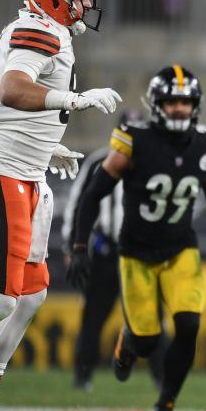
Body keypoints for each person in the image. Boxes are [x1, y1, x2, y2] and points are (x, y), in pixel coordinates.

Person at [0, 0, 120, 411]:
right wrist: (73, 100)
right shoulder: (39, 31)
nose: (87, 4)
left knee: (30, 295)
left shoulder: (50, 33)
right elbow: (12, 90)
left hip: (26, 174)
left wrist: (48, 146)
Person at [68, 65, 206, 411]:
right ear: (157, 105)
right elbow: (92, 195)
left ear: (195, 104)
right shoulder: (134, 141)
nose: (179, 108)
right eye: (171, 101)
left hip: (181, 249)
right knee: (148, 340)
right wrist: (79, 246)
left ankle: (165, 405)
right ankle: (130, 341)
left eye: (185, 101)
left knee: (189, 326)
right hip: (136, 253)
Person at [60, 138, 166, 390]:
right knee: (93, 317)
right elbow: (80, 202)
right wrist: (73, 245)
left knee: (152, 317)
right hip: (107, 251)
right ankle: (83, 375)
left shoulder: (157, 160)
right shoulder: (100, 161)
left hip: (141, 253)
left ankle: (162, 378)